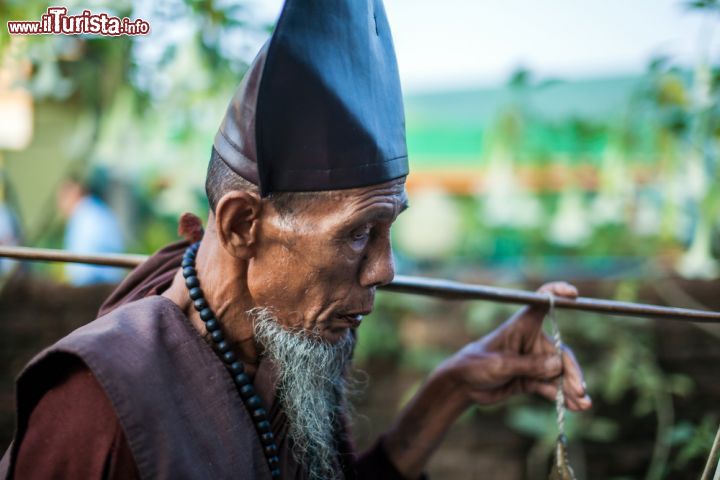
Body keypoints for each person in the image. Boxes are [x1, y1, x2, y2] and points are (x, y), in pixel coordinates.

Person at [0, 1, 591, 479]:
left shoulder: (282, 340)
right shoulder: (98, 406)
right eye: (358, 234)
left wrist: (454, 385)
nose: (384, 270)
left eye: (388, 229)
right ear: (241, 226)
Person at [56, 176, 125, 285]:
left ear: (74, 194)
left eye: (61, 199)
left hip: (93, 284)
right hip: (110, 282)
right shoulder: (99, 209)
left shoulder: (82, 215)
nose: (60, 205)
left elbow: (82, 268)